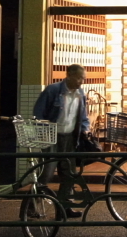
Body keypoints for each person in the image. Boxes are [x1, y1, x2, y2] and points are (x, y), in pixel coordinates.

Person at [32, 64, 91, 218]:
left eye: (83, 78)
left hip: (70, 137)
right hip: (51, 137)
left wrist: (85, 128)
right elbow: (38, 113)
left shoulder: (80, 94)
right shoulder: (53, 90)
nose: (81, 81)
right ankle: (32, 207)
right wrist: (42, 129)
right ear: (69, 75)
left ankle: (64, 208)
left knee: (69, 174)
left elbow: (83, 115)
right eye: (79, 77)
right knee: (46, 173)